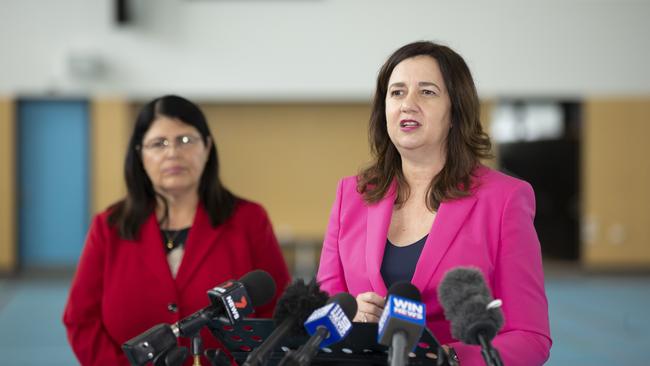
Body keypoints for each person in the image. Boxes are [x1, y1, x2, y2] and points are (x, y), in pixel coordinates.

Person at [316, 41, 551, 365]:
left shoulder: (504, 199)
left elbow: (530, 338)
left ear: (456, 111)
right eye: (396, 93)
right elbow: (326, 312)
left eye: (426, 92)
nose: (407, 104)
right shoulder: (351, 196)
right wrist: (352, 318)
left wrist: (445, 357)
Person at [63, 95, 291, 365]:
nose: (172, 153)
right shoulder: (109, 226)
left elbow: (277, 310)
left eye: (185, 140)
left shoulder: (249, 219)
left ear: (207, 147)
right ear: (140, 154)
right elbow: (81, 320)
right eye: (158, 143)